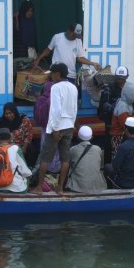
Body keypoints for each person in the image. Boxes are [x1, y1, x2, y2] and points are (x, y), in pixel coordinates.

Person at [30, 63, 77, 194]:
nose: (51, 76)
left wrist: (55, 129)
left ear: (57, 74)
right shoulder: (73, 87)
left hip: (57, 126)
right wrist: (71, 124)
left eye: (52, 73)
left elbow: (56, 110)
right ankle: (60, 188)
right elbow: (74, 109)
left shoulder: (56, 87)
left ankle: (39, 188)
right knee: (65, 158)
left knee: (45, 157)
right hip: (68, 125)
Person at [33, 23, 100, 82]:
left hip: (70, 75)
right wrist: (38, 59)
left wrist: (92, 63)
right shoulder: (57, 37)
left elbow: (80, 58)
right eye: (74, 35)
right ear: (69, 30)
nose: (75, 37)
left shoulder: (78, 41)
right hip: (56, 74)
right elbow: (48, 50)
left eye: (77, 36)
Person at [0, 128, 32, 192]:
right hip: (16, 188)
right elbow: (25, 171)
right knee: (27, 176)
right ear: (10, 138)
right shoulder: (15, 148)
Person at [106, 117, 134, 189]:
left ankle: (113, 190)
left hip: (125, 182)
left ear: (126, 129)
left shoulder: (124, 146)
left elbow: (115, 166)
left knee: (107, 167)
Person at [108, 66, 134, 157]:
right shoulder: (123, 106)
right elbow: (126, 125)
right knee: (119, 158)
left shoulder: (126, 103)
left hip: (121, 136)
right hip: (119, 137)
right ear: (130, 95)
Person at [66, 125, 106, 193]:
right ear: (91, 137)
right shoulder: (98, 149)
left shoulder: (72, 150)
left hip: (77, 188)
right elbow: (100, 167)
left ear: (78, 137)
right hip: (97, 187)